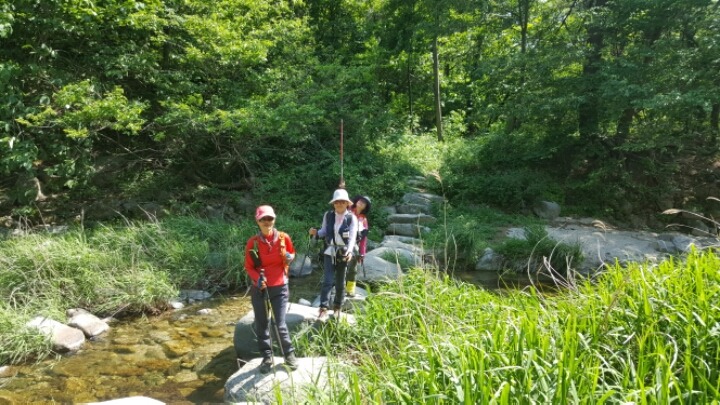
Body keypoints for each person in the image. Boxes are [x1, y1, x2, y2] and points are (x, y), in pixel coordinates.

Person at [245, 205, 299, 374]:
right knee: (261, 323)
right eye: (263, 219)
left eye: (270, 218)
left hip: (280, 286)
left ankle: (289, 355)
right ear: (258, 221)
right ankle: (267, 357)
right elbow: (249, 266)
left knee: (279, 324)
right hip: (259, 288)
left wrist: (290, 258)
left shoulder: (284, 238)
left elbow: (292, 253)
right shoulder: (253, 243)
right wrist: (258, 279)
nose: (267, 222)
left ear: (274, 220)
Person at [309, 189, 358, 318]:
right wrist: (315, 233)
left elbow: (352, 237)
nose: (339, 204)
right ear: (333, 203)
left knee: (340, 282)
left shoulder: (351, 218)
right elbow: (324, 231)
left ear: (347, 203)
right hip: (329, 251)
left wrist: (349, 251)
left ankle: (337, 307)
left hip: (343, 253)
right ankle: (323, 307)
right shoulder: (328, 215)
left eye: (342, 202)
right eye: (337, 202)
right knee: (328, 280)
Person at [346, 195, 371, 297]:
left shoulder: (363, 220)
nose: (361, 202)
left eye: (364, 202)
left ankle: (350, 289)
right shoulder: (347, 210)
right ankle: (337, 287)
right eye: (360, 200)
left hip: (354, 244)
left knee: (353, 268)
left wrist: (362, 253)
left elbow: (363, 238)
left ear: (365, 207)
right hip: (341, 241)